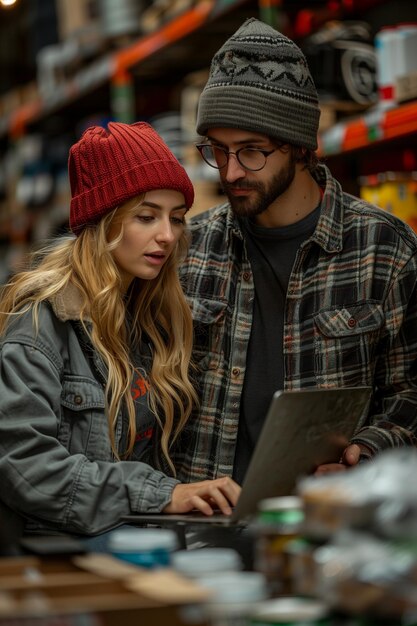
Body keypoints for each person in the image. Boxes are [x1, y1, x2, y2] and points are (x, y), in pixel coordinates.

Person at [175, 18, 417, 486]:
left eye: (251, 151)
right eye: (218, 150)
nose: (230, 172)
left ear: (301, 148)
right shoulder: (190, 250)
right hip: (203, 534)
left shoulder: (384, 249)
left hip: (328, 526)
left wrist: (367, 450)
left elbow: (409, 394)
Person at [0, 121, 240, 537]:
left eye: (177, 218)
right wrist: (161, 494)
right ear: (103, 222)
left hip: (133, 545)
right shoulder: (42, 322)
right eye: (146, 217)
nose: (166, 236)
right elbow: (25, 465)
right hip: (60, 562)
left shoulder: (149, 318)